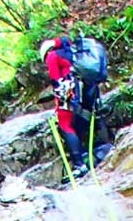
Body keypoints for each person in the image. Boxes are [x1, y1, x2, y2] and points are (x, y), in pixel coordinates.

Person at [40, 37, 111, 179]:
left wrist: (59, 105)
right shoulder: (73, 52)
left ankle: (78, 164)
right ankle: (96, 149)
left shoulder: (52, 56)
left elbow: (56, 80)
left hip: (71, 89)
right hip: (88, 88)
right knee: (82, 118)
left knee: (65, 125)